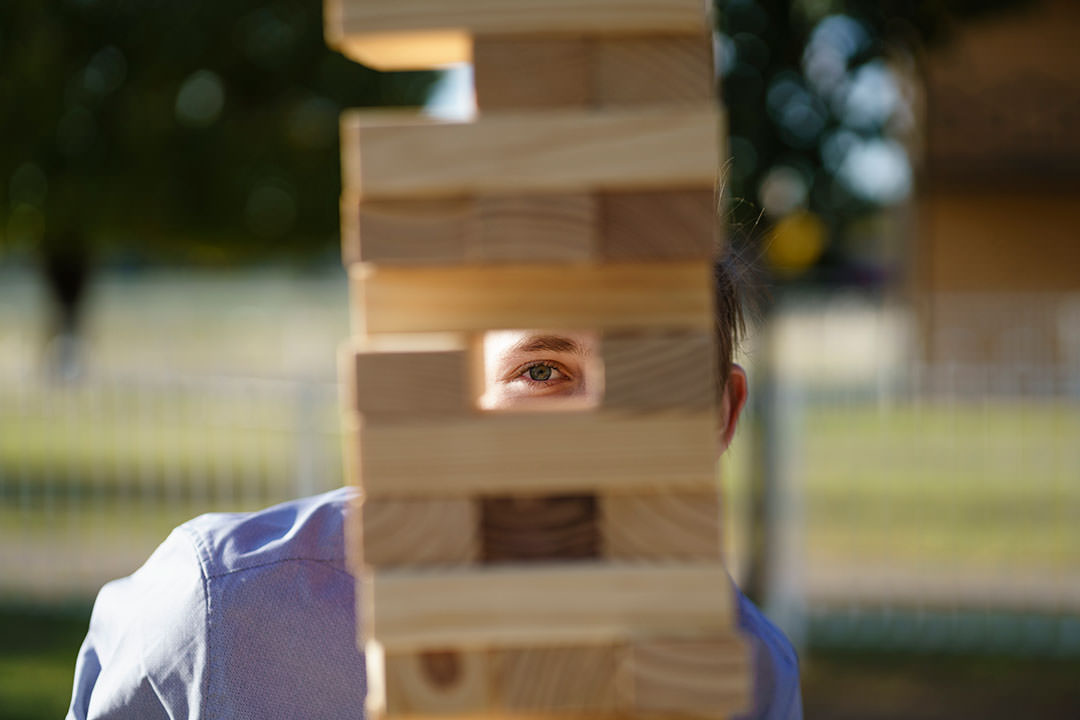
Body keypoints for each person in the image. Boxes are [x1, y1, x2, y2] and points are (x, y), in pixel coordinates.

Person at [66, 255, 803, 719]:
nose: (597, 427)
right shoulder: (224, 610)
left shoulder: (749, 673)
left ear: (722, 414)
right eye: (542, 372)